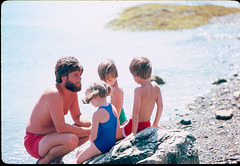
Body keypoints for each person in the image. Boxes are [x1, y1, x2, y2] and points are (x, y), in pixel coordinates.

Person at [24, 56, 91, 164]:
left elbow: (78, 117)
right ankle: (43, 162)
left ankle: (56, 159)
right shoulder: (53, 93)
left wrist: (94, 124)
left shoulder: (72, 91)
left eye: (80, 75)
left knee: (86, 132)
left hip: (53, 137)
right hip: (35, 141)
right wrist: (90, 130)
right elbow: (61, 128)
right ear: (63, 77)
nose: (80, 79)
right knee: (72, 139)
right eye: (76, 75)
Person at [116, 56, 163, 139]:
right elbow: (160, 106)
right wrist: (155, 124)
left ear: (137, 75)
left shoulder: (138, 90)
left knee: (111, 135)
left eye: (133, 76)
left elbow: (135, 113)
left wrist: (133, 132)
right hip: (146, 125)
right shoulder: (156, 86)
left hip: (133, 126)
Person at [75, 81, 120, 164]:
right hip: (111, 142)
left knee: (78, 160)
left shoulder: (97, 114)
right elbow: (117, 129)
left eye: (89, 100)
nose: (90, 103)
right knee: (79, 151)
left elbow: (93, 137)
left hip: (101, 145)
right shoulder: (112, 107)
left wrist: (90, 140)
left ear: (95, 97)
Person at [98, 59, 127, 125]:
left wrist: (114, 122)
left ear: (116, 75)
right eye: (105, 81)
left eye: (109, 80)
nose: (107, 82)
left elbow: (119, 106)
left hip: (119, 117)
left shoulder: (117, 89)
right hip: (114, 115)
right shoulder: (112, 87)